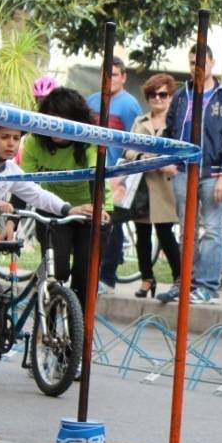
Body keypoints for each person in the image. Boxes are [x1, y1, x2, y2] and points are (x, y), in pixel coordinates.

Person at [0, 123, 92, 382]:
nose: (11, 143)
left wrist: (68, 209)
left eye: (15, 138)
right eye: (4, 137)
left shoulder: (11, 170)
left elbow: (36, 194)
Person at [159, 44, 222, 305]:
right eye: (192, 63)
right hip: (183, 171)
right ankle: (186, 282)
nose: (197, 68)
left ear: (212, 63)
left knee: (211, 229)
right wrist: (168, 160)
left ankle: (207, 287)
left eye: (201, 63)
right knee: (186, 230)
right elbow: (170, 131)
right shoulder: (181, 95)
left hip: (212, 173)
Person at [21, 87, 108, 306]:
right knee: (56, 270)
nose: (56, 127)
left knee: (84, 276)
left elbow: (94, 174)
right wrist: (12, 222)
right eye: (51, 120)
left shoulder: (90, 139)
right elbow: (23, 183)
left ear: (76, 120)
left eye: (63, 120)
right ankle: (45, 317)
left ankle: (78, 326)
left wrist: (98, 208)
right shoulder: (34, 141)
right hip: (54, 208)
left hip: (91, 207)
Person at [89, 56, 141, 290]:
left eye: (115, 75)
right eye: (106, 74)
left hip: (116, 174)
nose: (110, 79)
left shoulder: (130, 105)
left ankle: (107, 276)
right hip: (92, 172)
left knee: (113, 224)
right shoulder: (91, 101)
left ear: (124, 77)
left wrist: (124, 174)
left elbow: (135, 140)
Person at [127, 73, 181, 298]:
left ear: (171, 96)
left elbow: (183, 149)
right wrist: (142, 157)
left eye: (163, 94)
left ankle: (179, 278)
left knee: (165, 233)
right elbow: (127, 149)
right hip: (142, 185)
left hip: (167, 185)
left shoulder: (177, 121)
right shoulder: (140, 121)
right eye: (152, 94)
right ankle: (146, 278)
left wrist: (168, 163)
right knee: (142, 234)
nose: (157, 98)